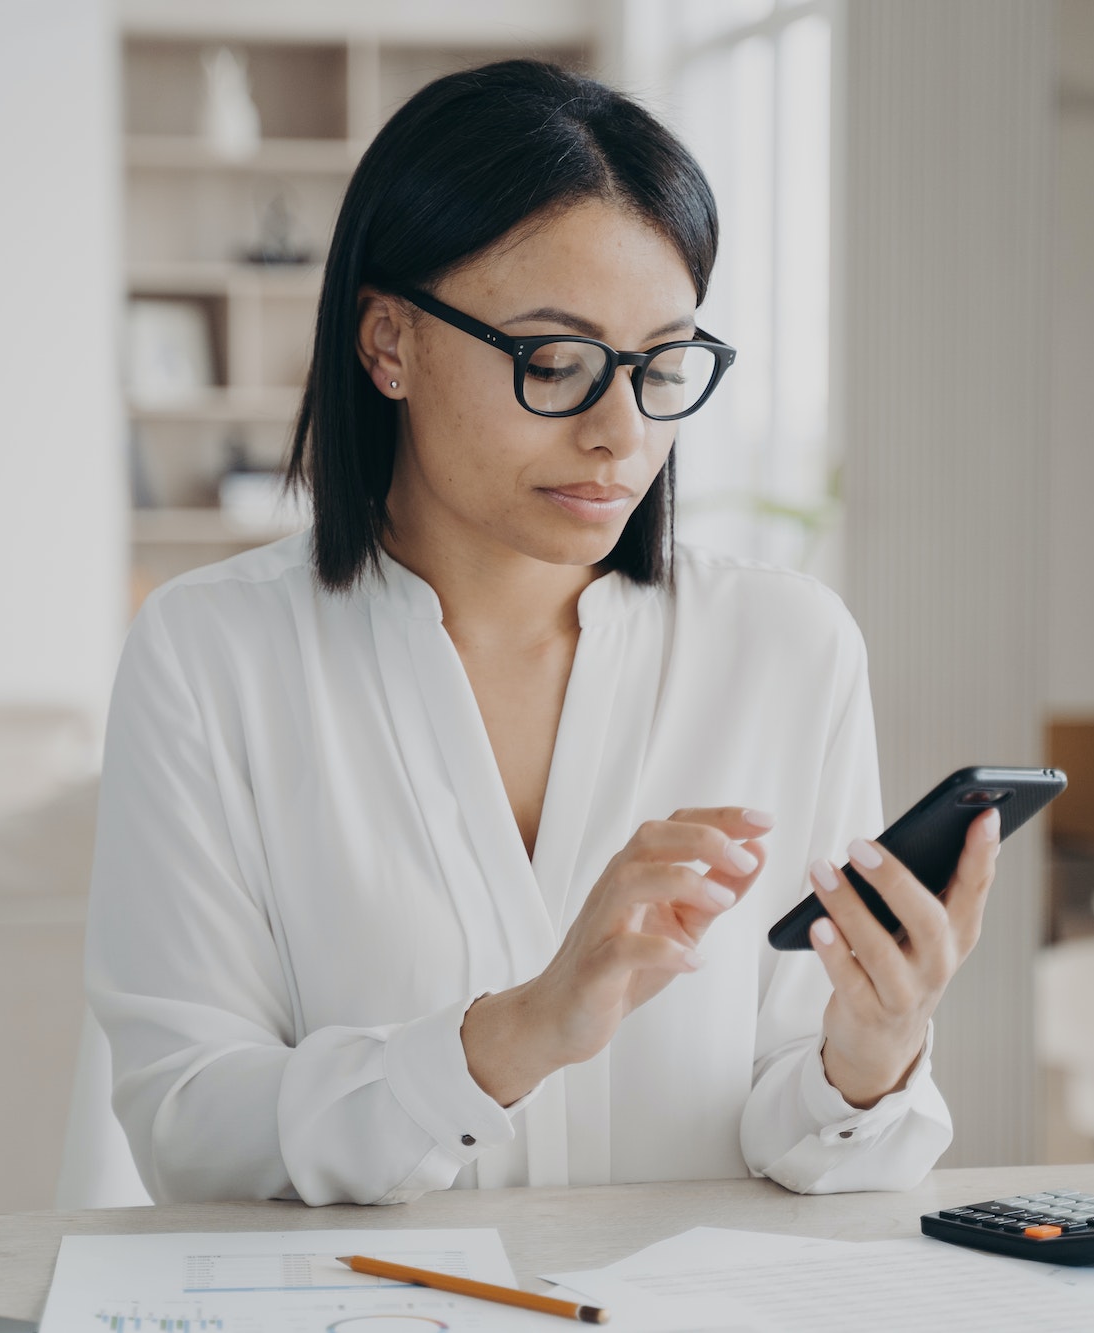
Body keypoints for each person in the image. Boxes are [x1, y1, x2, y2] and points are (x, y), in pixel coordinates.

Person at [87, 59, 999, 1206]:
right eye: (554, 362)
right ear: (387, 344)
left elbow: (795, 1130)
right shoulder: (209, 656)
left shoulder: (786, 645)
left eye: (662, 365)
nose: (620, 430)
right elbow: (188, 1125)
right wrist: (514, 1034)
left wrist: (869, 1055)